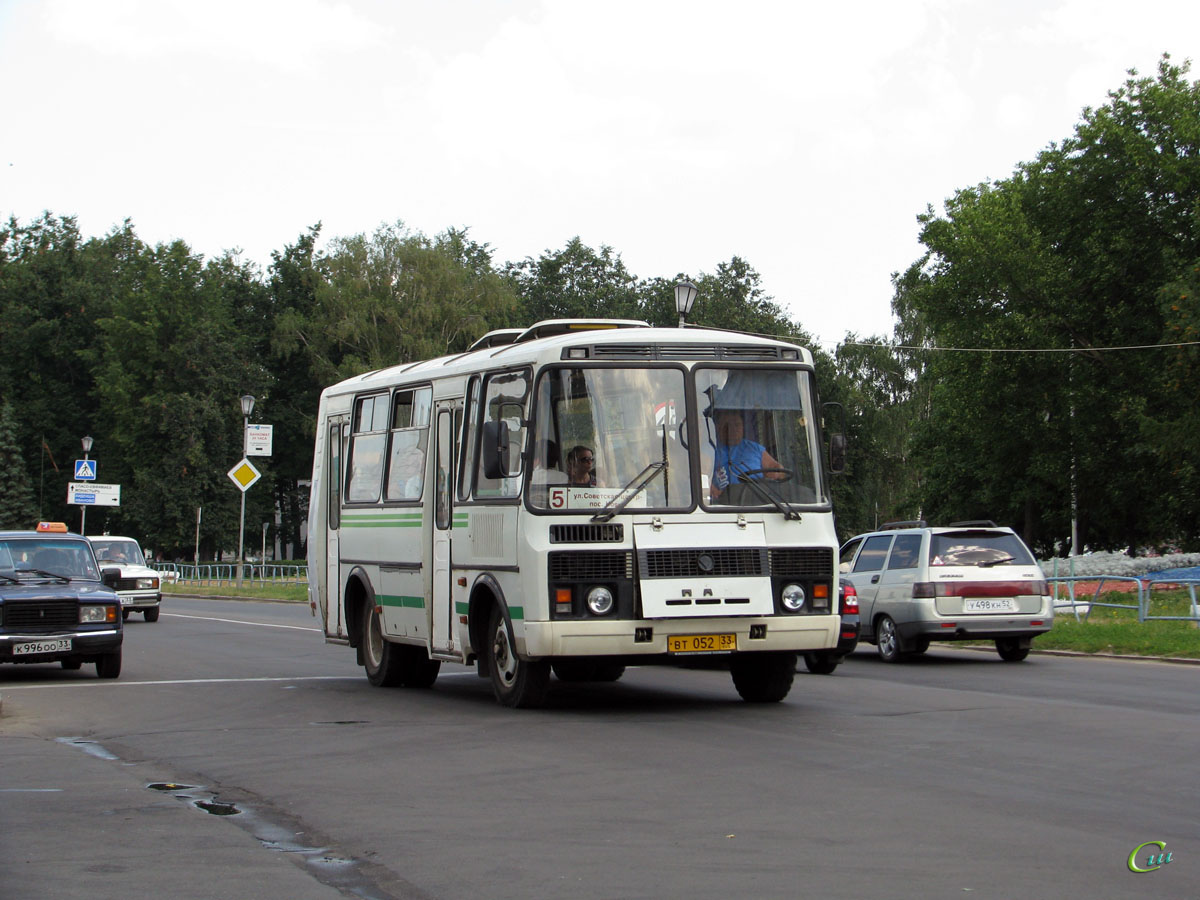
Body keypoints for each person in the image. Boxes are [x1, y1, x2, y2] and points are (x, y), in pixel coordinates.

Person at [711, 410, 783, 499]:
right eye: (727, 426)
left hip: (758, 501)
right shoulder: (712, 449)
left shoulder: (755, 448)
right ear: (719, 428)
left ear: (743, 427)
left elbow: (776, 467)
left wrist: (776, 472)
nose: (733, 429)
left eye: (737, 425)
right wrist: (711, 489)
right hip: (723, 505)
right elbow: (701, 477)